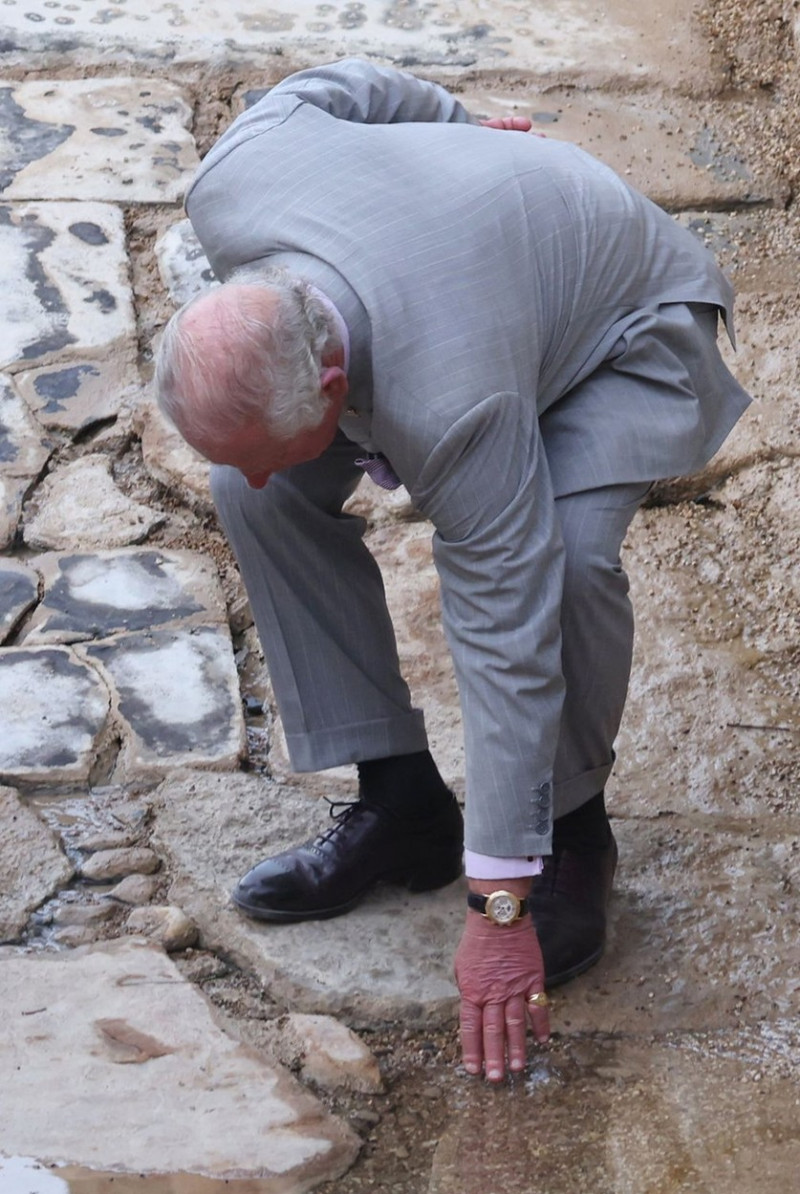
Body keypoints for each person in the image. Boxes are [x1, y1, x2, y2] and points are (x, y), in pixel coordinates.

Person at [155, 58, 751, 1083]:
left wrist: (499, 904)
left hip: (613, 334)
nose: (246, 452)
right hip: (450, 293)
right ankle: (402, 803)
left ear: (334, 382)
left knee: (559, 569)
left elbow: (501, 637)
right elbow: (331, 83)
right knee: (251, 491)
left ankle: (573, 836)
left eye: (261, 434)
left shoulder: (452, 402)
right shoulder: (234, 183)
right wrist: (454, 121)